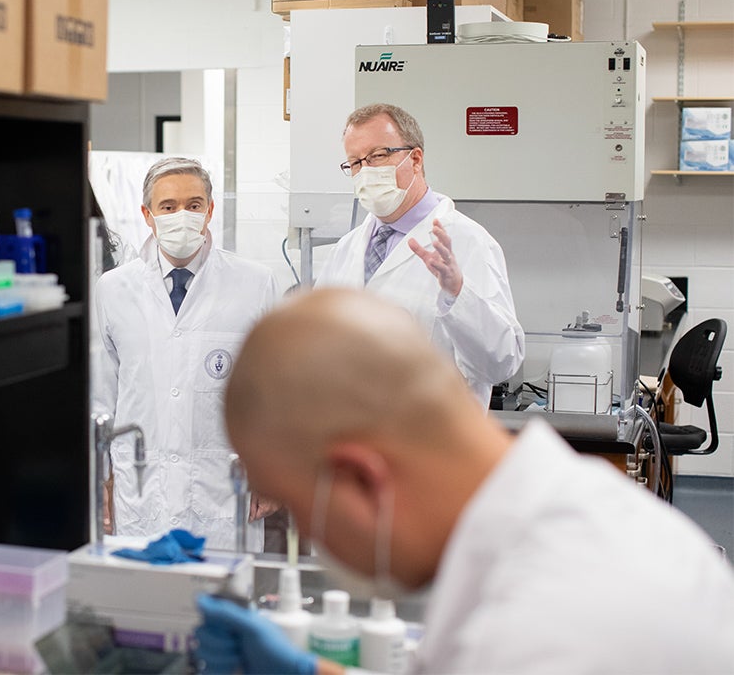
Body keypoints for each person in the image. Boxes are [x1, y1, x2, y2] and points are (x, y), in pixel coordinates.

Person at [195, 288, 734, 675]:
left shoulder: (545, 631)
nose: (307, 533)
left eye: (297, 505)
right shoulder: (578, 510)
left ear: (361, 478)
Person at [93, 157, 279, 551]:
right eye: (168, 207)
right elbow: (100, 398)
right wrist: (100, 478)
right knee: (145, 605)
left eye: (194, 205)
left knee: (222, 604)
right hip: (141, 489)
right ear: (147, 215)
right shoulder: (112, 289)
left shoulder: (254, 282)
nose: (182, 216)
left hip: (224, 494)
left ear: (210, 210)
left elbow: (274, 390)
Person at [317, 103, 523, 408]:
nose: (366, 171)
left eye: (378, 156)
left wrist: (458, 294)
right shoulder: (346, 250)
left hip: (435, 445)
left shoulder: (468, 242)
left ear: (415, 159)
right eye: (355, 163)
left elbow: (501, 364)